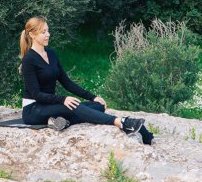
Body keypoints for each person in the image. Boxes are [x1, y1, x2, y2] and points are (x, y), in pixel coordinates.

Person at [20, 15, 154, 145]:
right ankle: (122, 122)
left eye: (48, 31)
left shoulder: (51, 54)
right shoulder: (29, 60)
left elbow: (67, 82)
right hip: (34, 109)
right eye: (43, 32)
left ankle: (58, 121)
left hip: (49, 106)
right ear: (32, 35)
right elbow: (36, 94)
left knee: (99, 106)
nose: (48, 34)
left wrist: (93, 97)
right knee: (74, 106)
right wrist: (63, 99)